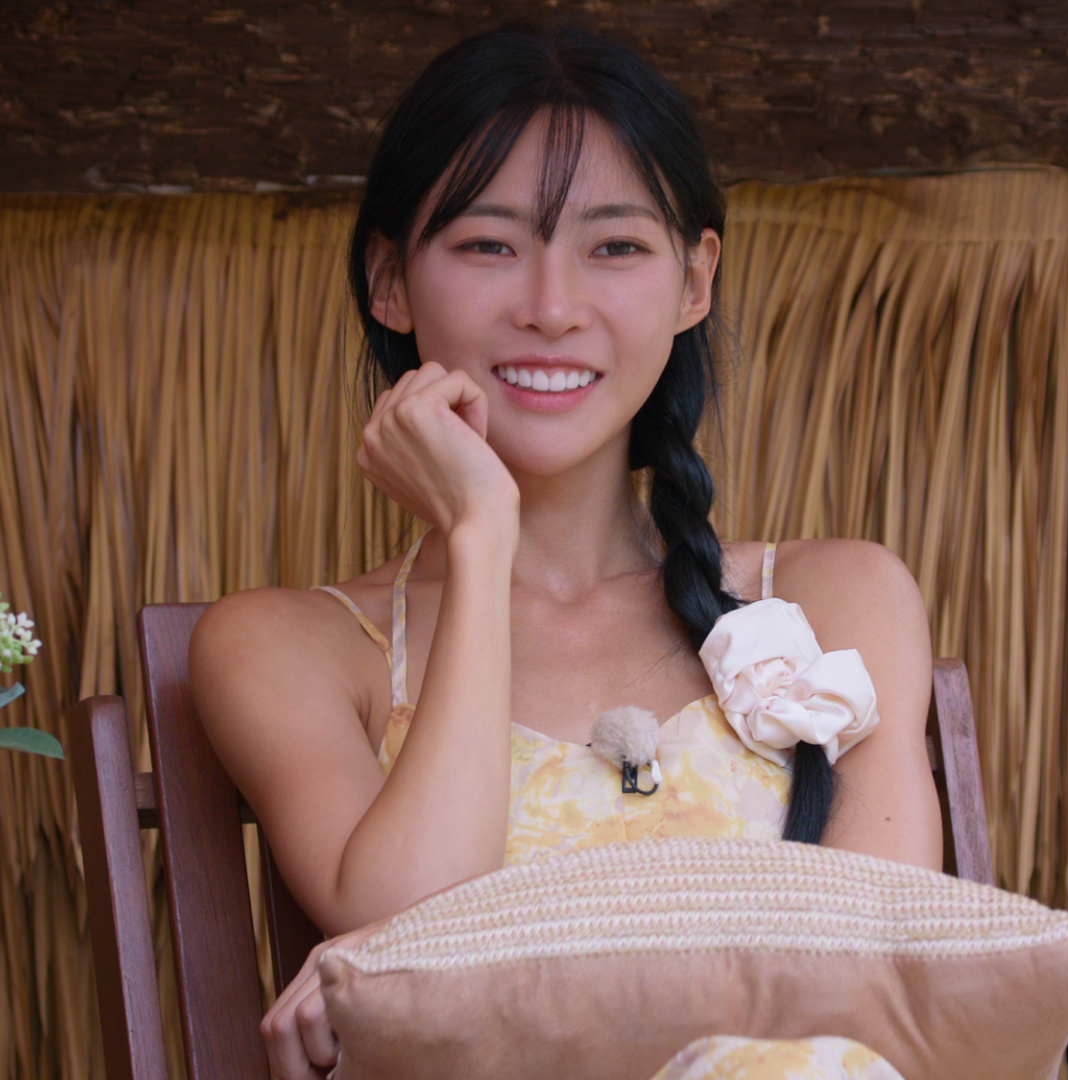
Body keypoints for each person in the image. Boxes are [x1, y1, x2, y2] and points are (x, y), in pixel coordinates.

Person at [189, 22, 942, 1079]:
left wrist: (499, 967)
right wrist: (479, 536)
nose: (551, 309)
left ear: (694, 281)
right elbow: (424, 957)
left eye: (615, 247)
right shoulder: (289, 646)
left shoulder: (841, 595)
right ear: (389, 279)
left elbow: (884, 965)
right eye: (488, 245)